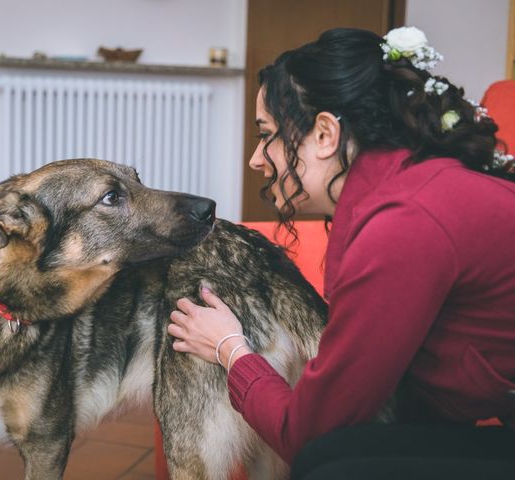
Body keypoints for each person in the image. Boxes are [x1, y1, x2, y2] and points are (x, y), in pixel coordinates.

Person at [167, 27, 515, 479]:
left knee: (327, 462)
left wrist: (230, 348)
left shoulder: (405, 223)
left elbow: (308, 430)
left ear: (326, 134)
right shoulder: (407, 190)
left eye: (268, 134)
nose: (256, 158)